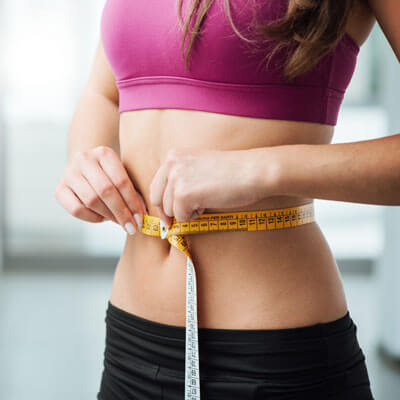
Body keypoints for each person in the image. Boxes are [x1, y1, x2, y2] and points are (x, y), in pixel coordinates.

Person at [54, 0, 399, 399]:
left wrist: (257, 170)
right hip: (130, 343)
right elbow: (106, 91)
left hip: (273, 357)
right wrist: (85, 159)